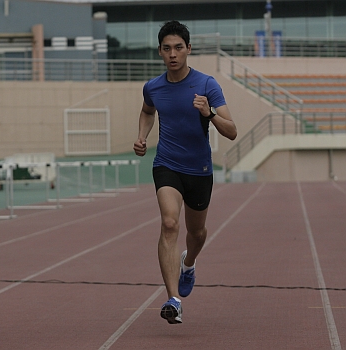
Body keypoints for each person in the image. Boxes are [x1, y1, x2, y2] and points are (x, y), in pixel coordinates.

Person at [133, 20, 237, 325]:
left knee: (197, 233)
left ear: (188, 49)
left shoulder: (207, 85)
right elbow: (147, 110)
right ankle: (173, 300)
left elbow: (231, 131)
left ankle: (189, 263)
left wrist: (210, 112)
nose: (173, 54)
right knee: (168, 223)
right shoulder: (153, 87)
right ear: (160, 52)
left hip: (200, 170)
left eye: (178, 47)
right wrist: (142, 136)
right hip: (167, 164)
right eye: (167, 49)